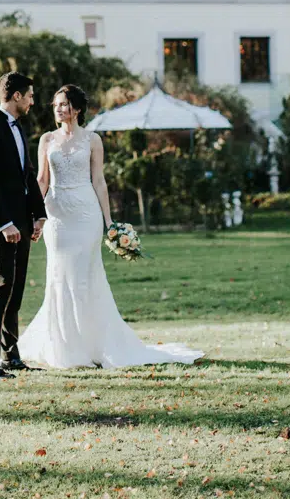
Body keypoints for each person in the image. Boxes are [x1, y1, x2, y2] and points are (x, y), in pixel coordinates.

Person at [19, 84, 204, 369]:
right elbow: (42, 180)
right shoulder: (46, 140)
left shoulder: (92, 140)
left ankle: (95, 344)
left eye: (64, 104)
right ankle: (65, 347)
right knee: (59, 276)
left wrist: (109, 223)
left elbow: (99, 181)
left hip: (85, 215)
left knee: (84, 277)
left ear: (77, 109)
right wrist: (36, 215)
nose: (58, 109)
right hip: (57, 217)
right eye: (55, 104)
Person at [0, 72, 48, 380]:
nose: (32, 100)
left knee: (15, 291)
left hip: (22, 221)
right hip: (0, 224)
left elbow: (27, 175)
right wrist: (4, 223)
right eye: (29, 95)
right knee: (2, 285)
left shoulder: (19, 128)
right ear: (16, 96)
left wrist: (38, 215)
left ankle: (11, 356)